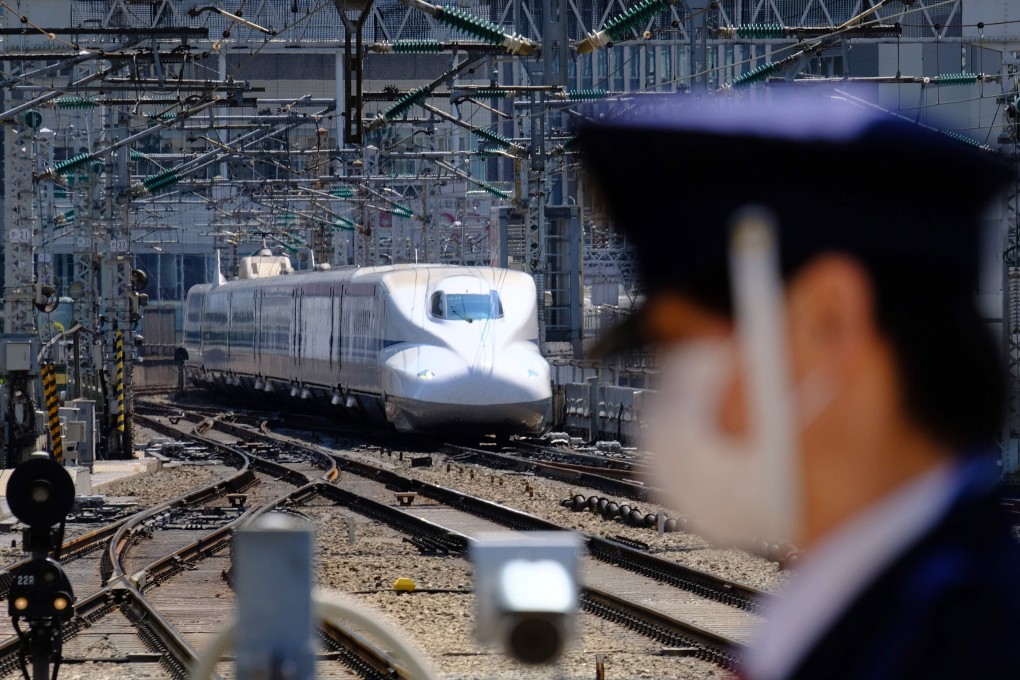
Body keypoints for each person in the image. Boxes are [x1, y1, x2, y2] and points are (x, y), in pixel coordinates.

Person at [576, 90, 1020, 679]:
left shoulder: (961, 649)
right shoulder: (896, 617)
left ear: (830, 323)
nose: (664, 407)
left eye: (687, 350)